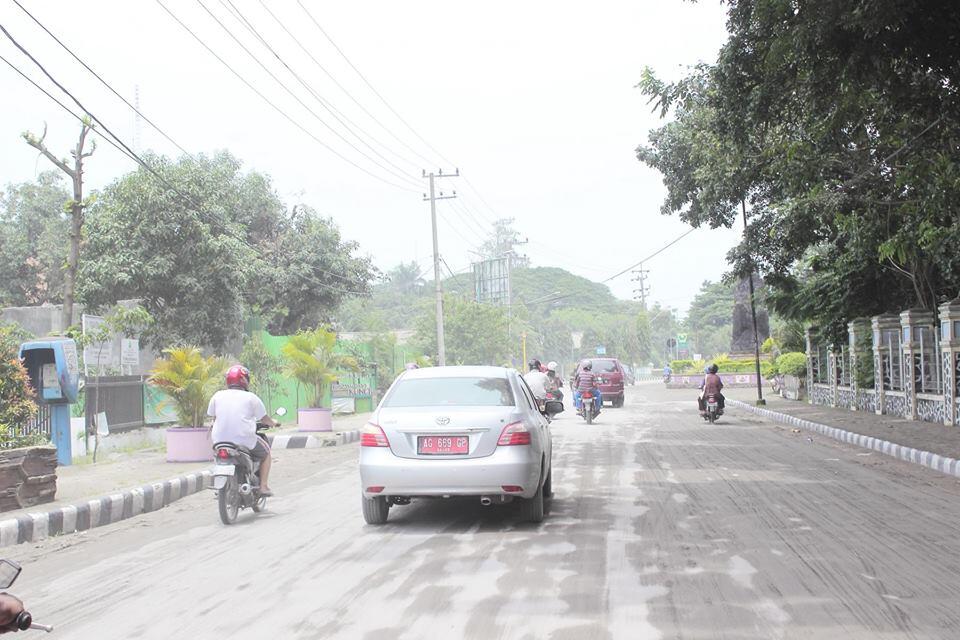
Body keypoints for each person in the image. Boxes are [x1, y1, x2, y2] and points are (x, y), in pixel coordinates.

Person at [208, 365, 278, 496]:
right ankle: (263, 486)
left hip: (219, 440)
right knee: (266, 452)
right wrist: (274, 422)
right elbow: (264, 419)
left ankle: (220, 483)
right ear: (244, 380)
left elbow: (213, 416)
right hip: (243, 440)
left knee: (217, 455)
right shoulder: (251, 397)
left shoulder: (217, 396)